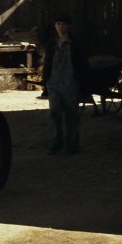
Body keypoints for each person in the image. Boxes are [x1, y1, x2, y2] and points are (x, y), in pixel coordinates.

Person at [41, 12, 89, 155]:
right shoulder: (51, 44)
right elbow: (47, 64)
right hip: (54, 83)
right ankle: (56, 143)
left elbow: (82, 64)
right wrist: (46, 81)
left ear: (69, 26)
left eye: (64, 24)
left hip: (70, 83)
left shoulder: (76, 44)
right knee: (54, 113)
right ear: (55, 26)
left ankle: (72, 145)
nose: (61, 27)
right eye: (58, 24)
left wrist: (80, 82)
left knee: (71, 114)